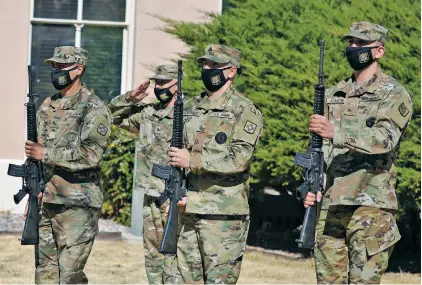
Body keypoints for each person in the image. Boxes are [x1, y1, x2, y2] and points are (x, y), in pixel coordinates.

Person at [304, 21, 413, 284]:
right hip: (330, 206)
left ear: (379, 51)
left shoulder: (394, 94)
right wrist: (311, 183)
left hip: (370, 207)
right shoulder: (334, 94)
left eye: (362, 44)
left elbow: (385, 139)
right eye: (350, 43)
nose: (354, 48)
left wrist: (337, 132)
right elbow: (318, 149)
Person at [167, 44, 264, 284]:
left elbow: (238, 158)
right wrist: (171, 194)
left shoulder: (244, 110)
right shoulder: (190, 107)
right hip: (187, 209)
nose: (207, 69)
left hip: (223, 215)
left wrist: (193, 160)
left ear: (231, 71)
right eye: (204, 65)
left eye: (213, 65)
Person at [24, 46, 112, 284]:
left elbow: (91, 154)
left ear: (79, 69)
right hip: (46, 202)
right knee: (45, 275)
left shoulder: (94, 108)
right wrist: (33, 193)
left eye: (62, 66)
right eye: (54, 66)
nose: (56, 71)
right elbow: (36, 155)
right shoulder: (46, 105)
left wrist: (46, 153)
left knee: (69, 277)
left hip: (77, 205)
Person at [109, 64, 182, 284]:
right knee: (152, 257)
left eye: (163, 82)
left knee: (174, 259)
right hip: (151, 194)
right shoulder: (148, 113)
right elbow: (113, 117)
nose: (158, 87)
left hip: (174, 198)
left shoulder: (188, 114)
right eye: (156, 82)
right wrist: (130, 98)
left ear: (177, 85)